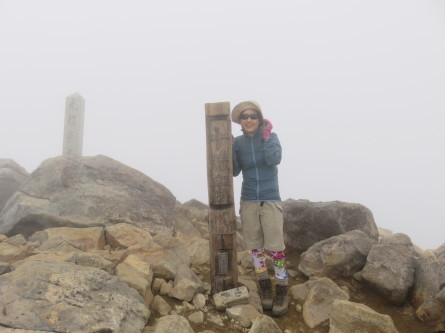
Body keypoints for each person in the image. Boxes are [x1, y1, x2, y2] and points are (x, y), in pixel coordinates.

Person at [231, 100, 289, 316]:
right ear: (240, 121)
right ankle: (264, 285)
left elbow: (275, 158)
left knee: (276, 249)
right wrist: (230, 149)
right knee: (255, 247)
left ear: (260, 118)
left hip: (270, 197)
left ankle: (282, 287)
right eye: (244, 117)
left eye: (253, 116)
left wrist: (266, 137)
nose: (248, 120)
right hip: (248, 199)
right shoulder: (238, 142)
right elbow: (235, 171)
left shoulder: (271, 137)